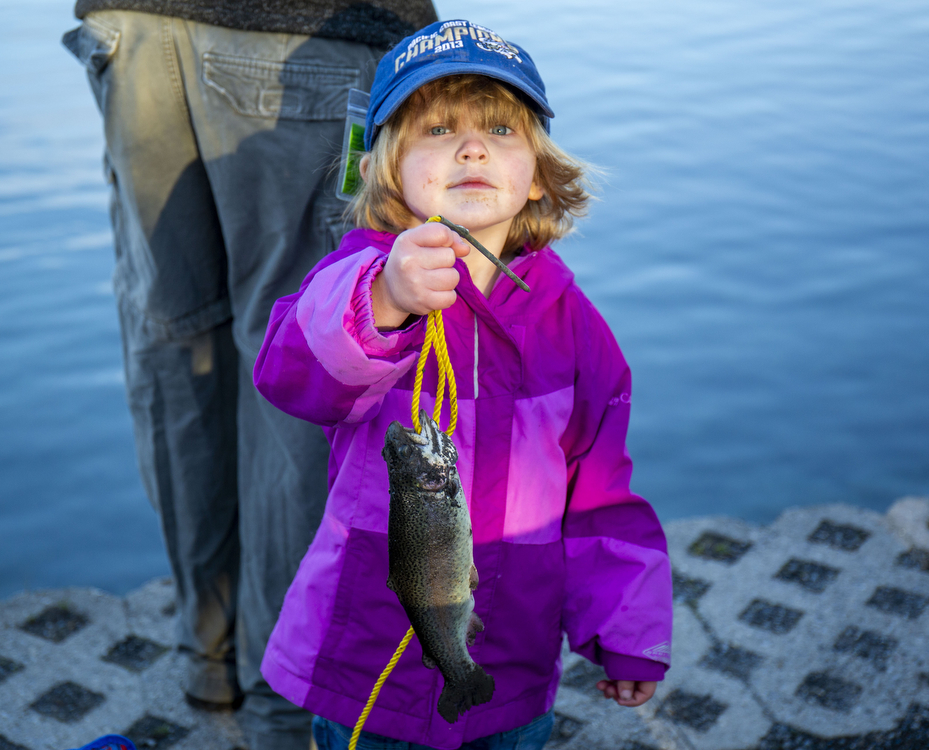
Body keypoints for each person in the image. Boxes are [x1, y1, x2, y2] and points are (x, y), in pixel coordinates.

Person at [253, 19, 673, 750]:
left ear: (537, 172)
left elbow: (600, 494)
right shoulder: (361, 281)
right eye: (440, 128)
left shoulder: (574, 327)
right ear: (390, 170)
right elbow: (295, 375)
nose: (473, 147)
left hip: (511, 662)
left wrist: (625, 628)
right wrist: (386, 298)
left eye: (502, 131)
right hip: (368, 661)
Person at [61, 3, 436, 749]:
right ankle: (284, 701)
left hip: (135, 34)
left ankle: (210, 661)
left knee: (177, 352)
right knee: (307, 364)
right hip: (311, 36)